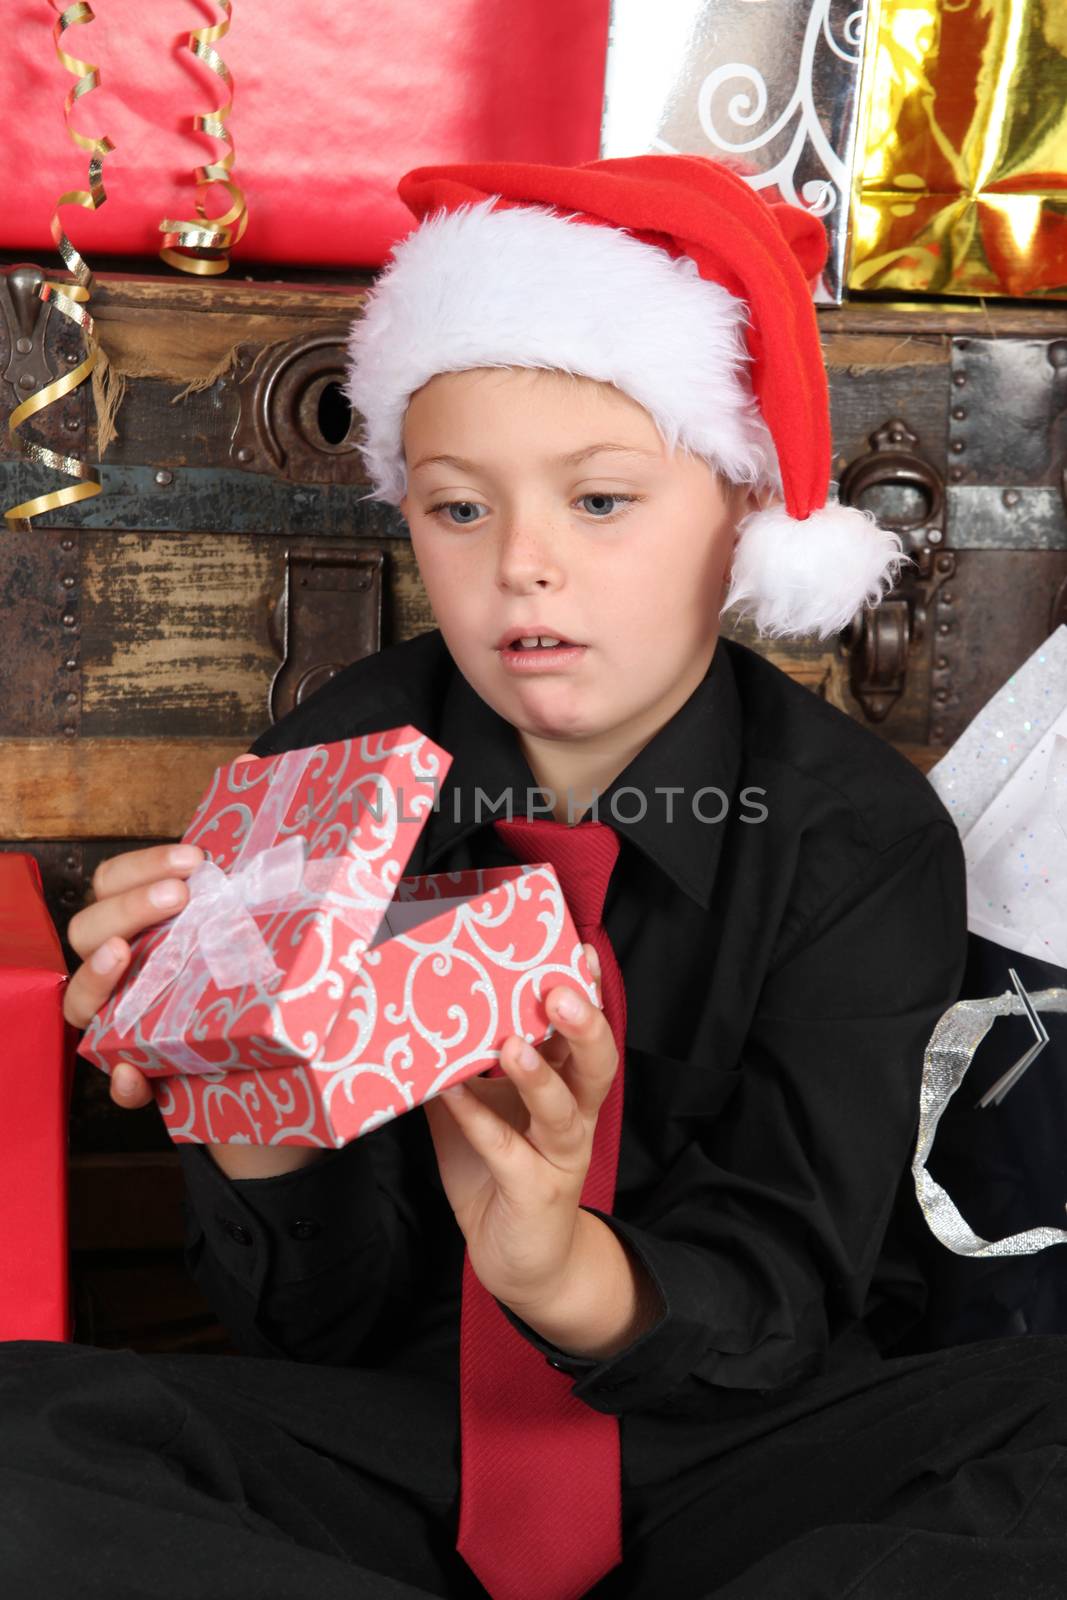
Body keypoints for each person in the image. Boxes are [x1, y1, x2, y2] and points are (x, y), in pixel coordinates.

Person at [6, 153, 1067, 1600]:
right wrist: (252, 1118)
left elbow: (787, 1300)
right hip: (403, 1435)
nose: (525, 569)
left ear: (742, 509)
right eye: (459, 510)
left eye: (603, 504)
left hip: (743, 1450)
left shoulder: (854, 834)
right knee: (28, 1437)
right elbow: (306, 1332)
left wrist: (556, 1263)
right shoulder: (335, 754)